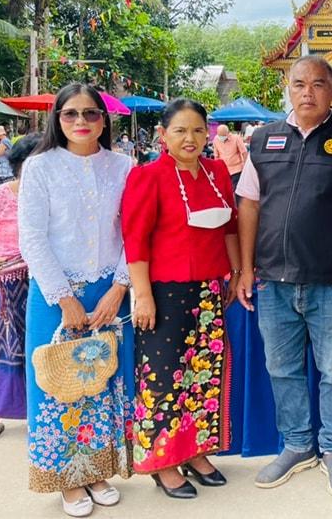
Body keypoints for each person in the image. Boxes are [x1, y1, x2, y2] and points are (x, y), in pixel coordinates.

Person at [234, 56, 332, 496]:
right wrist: (245, 268)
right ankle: (297, 445)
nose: (308, 92)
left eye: (318, 84)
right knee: (282, 369)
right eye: (300, 84)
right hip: (273, 281)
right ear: (288, 89)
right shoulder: (263, 140)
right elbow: (249, 205)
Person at [18, 83, 134, 517]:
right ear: (57, 119)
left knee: (101, 382)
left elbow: (136, 230)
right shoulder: (40, 167)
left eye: (90, 113)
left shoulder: (123, 166)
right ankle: (67, 478)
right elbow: (32, 237)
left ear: (104, 120)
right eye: (70, 113)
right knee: (57, 385)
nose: (81, 121)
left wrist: (120, 287)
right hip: (54, 294)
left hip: (109, 293)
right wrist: (64, 297)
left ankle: (97, 469)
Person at [121, 99, 240, 499]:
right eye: (180, 130)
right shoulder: (148, 177)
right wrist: (142, 296)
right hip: (164, 292)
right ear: (163, 135)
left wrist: (236, 272)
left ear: (208, 134)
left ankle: (196, 450)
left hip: (209, 290)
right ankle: (163, 462)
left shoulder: (217, 172)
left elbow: (230, 228)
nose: (190, 138)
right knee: (164, 378)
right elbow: (135, 241)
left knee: (202, 374)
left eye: (198, 130)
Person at [0, 133, 39, 446]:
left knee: (40, 343)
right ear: (19, 165)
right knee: (7, 342)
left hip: (43, 278)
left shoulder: (50, 197)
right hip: (6, 280)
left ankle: (42, 412)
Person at [211, 124, 248, 190]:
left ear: (228, 133)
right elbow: (216, 156)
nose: (221, 137)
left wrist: (245, 166)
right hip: (223, 170)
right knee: (225, 189)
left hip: (236, 169)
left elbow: (244, 152)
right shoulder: (216, 139)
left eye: (223, 135)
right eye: (220, 135)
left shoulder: (236, 138)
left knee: (234, 189)